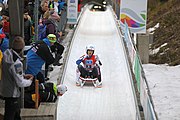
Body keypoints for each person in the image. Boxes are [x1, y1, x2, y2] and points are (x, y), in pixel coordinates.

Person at [0, 36, 34, 120]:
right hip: (12, 94)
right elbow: (20, 83)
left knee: (16, 114)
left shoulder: (6, 54)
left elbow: (11, 73)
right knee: (10, 116)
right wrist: (29, 81)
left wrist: (22, 75)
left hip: (5, 89)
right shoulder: (17, 63)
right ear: (22, 48)